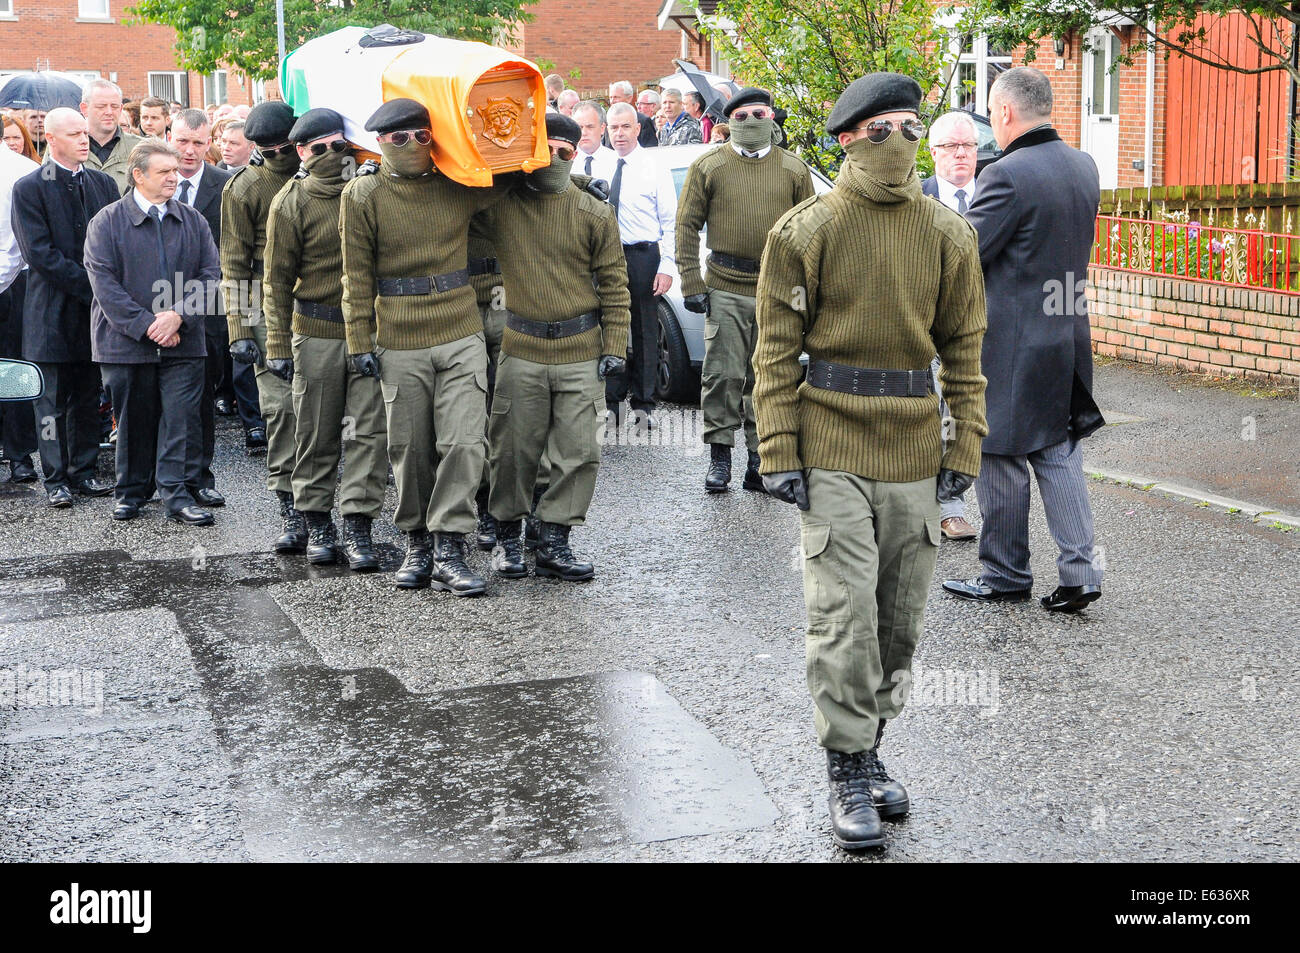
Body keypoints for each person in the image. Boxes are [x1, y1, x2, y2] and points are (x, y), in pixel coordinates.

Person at [753, 73, 987, 851]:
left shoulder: (950, 236)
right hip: (832, 444)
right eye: (880, 128)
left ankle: (872, 743)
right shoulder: (805, 230)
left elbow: (965, 351)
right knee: (842, 615)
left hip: (915, 445)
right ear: (847, 138)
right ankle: (846, 764)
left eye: (910, 127)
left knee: (898, 620)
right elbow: (776, 351)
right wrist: (778, 446)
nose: (899, 143)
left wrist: (966, 441)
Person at [942, 67, 1105, 615]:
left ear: (1006, 113)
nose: (991, 121)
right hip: (1065, 332)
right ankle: (1081, 573)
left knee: (1000, 457)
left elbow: (966, 253)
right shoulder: (1083, 165)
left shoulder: (1006, 175)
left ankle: (1005, 573)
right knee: (1057, 451)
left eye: (990, 112)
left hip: (1010, 342)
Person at [341, 98, 509, 596]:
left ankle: (451, 546)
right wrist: (358, 339)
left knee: (463, 441)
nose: (412, 145)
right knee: (410, 446)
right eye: (398, 138)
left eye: (421, 135)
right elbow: (356, 273)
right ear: (379, 143)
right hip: (398, 334)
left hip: (459, 328)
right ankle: (417, 541)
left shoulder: (456, 180)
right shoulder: (363, 194)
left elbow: (517, 175)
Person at [477, 114, 629, 581]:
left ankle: (554, 540)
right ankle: (507, 539)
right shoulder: (502, 206)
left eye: (568, 151)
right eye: (547, 150)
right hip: (522, 347)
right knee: (512, 451)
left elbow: (615, 284)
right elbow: (460, 187)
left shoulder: (593, 212)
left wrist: (616, 344)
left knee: (579, 451)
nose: (558, 159)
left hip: (580, 348)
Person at [262, 108, 387, 572]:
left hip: (369, 332)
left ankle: (358, 522)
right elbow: (274, 282)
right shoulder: (290, 203)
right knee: (315, 432)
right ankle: (316, 521)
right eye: (321, 149)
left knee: (369, 434)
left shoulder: (371, 192)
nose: (334, 156)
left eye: (341, 146)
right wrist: (276, 344)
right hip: (316, 331)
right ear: (301, 152)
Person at [677, 87, 814, 494]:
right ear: (729, 121)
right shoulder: (709, 167)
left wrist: (806, 290)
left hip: (776, 289)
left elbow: (809, 230)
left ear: (772, 118)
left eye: (760, 114)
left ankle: (760, 460)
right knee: (722, 374)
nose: (752, 121)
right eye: (742, 116)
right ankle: (720, 456)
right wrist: (690, 280)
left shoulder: (793, 168)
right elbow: (686, 225)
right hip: (725, 285)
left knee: (769, 377)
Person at [84, 139, 221, 525]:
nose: (173, 179)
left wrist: (178, 317)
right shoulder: (107, 221)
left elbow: (210, 276)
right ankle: (130, 492)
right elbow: (104, 284)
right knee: (133, 421)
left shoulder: (192, 220)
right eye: (164, 172)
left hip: (185, 342)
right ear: (138, 175)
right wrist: (150, 326)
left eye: (175, 171)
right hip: (124, 344)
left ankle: (175, 494)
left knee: (179, 420)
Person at [9, 108, 120, 507]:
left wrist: (105, 289)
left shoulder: (103, 183)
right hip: (51, 311)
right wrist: (95, 287)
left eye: (84, 132)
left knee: (87, 396)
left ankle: (84, 472)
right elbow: (39, 254)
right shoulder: (29, 187)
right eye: (74, 134)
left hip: (94, 313)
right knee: (50, 402)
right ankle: (55, 478)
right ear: (51, 139)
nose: (84, 139)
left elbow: (114, 242)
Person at [222, 101, 303, 549]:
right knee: (280, 409)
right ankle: (291, 508)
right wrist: (237, 327)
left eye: (284, 146)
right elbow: (232, 261)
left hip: (319, 298)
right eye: (267, 149)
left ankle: (324, 504)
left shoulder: (324, 174)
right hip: (261, 303)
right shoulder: (243, 188)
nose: (278, 156)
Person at [921, 110, 982, 541]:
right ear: (933, 152)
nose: (960, 155)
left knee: (969, 418)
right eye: (950, 147)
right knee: (938, 415)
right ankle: (948, 507)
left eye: (968, 146)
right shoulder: (916, 198)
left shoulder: (998, 194)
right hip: (925, 328)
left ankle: (957, 501)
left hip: (981, 328)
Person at [169, 108, 233, 509]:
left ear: (210, 142)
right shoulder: (145, 181)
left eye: (198, 142)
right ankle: (158, 479)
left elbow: (233, 250)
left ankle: (200, 476)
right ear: (168, 137)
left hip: (208, 307)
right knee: (161, 399)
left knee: (201, 398)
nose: (190, 151)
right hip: (158, 307)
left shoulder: (226, 186)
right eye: (182, 141)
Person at [603, 102, 677, 429]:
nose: (619, 134)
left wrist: (668, 266)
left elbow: (671, 221)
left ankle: (644, 403)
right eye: (613, 127)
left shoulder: (653, 166)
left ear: (636, 129)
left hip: (643, 255)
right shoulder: (602, 166)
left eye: (625, 127)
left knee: (645, 329)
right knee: (611, 327)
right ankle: (612, 400)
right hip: (607, 257)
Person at [0, 134, 40, 482]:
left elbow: (19, 241)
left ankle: (18, 454)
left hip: (13, 282)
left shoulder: (21, 172)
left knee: (13, 368)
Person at [80, 80, 141, 195]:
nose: (109, 112)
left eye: (114, 106)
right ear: (84, 108)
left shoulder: (140, 148)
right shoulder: (64, 147)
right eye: (101, 106)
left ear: (121, 108)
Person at [572, 101, 616, 181]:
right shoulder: (566, 162)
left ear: (602, 128)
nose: (584, 133)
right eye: (580, 127)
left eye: (590, 127)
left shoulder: (616, 161)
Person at [607, 82, 657, 148]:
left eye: (616, 97)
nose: (612, 101)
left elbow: (651, 149)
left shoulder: (643, 121)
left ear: (629, 98)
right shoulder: (608, 120)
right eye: (610, 97)